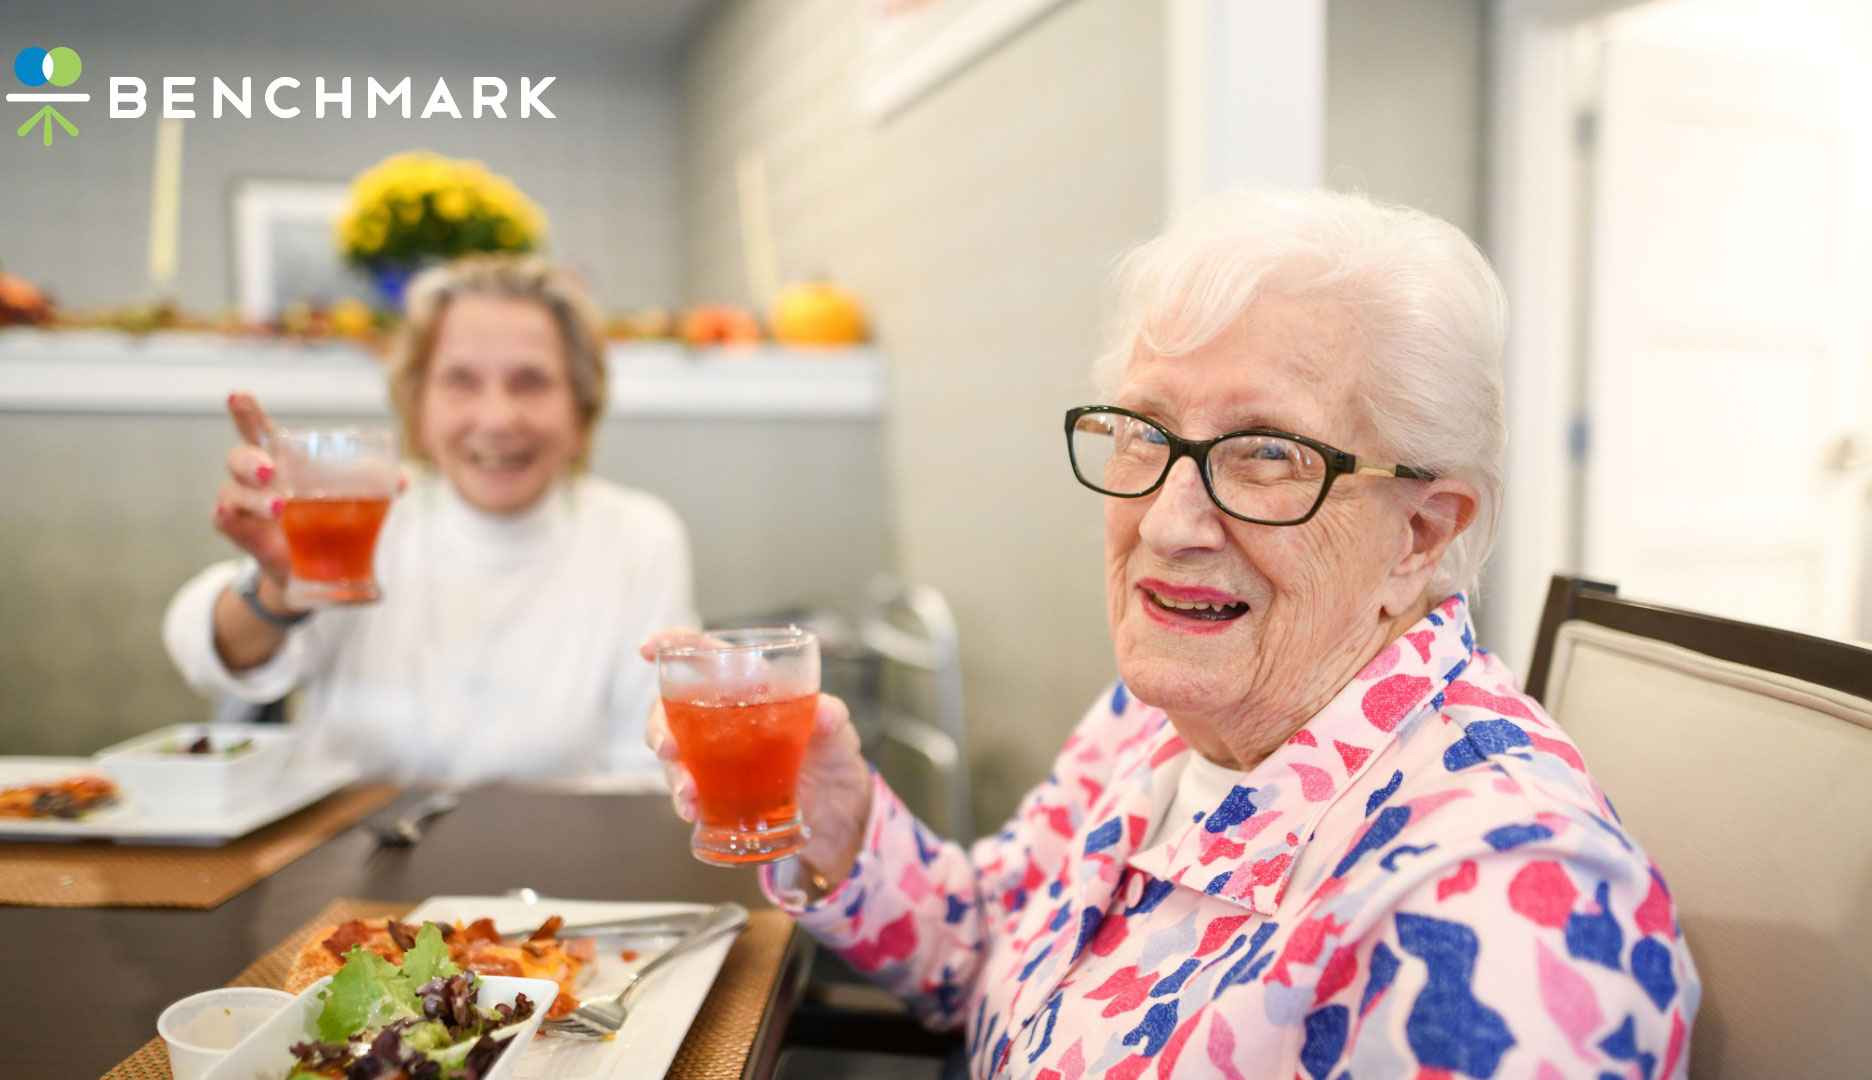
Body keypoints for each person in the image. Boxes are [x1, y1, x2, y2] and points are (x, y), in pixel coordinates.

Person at [647, 189, 1698, 1077]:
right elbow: (989, 950)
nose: (1165, 522)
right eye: (1144, 434)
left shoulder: (1499, 908)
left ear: (1421, 531)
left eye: (1268, 455)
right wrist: (839, 824)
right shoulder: (1166, 716)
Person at [165, 255, 695, 789]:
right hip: (347, 859)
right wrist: (280, 591)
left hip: (550, 863)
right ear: (416, 403)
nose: (495, 420)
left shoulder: (639, 536)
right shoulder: (366, 508)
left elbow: (646, 770)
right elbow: (203, 653)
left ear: (582, 408)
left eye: (531, 382)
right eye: (460, 381)